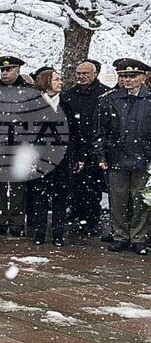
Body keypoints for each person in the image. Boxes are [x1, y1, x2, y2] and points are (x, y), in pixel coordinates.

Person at [92, 59, 151, 255]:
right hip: (116, 157)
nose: (127, 80)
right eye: (123, 76)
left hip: (144, 159)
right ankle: (120, 236)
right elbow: (100, 131)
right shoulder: (109, 99)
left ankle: (139, 238)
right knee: (118, 200)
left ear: (143, 77)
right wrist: (101, 155)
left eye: (132, 76)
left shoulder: (149, 99)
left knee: (140, 200)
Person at [61, 60, 112, 239]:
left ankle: (91, 220)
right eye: (79, 73)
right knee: (74, 185)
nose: (82, 77)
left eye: (86, 73)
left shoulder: (105, 94)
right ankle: (76, 213)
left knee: (92, 188)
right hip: (74, 147)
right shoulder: (68, 95)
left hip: (94, 147)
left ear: (95, 74)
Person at [28, 70, 75, 246]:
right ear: (46, 82)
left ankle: (58, 234)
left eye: (60, 79)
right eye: (56, 79)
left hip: (62, 159)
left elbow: (73, 134)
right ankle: (39, 233)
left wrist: (74, 156)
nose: (60, 82)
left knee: (60, 198)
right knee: (40, 197)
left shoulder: (66, 105)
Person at [0, 55, 29, 236]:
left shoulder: (30, 91)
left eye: (9, 69)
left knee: (18, 188)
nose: (5, 73)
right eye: (3, 70)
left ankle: (16, 222)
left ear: (18, 70)